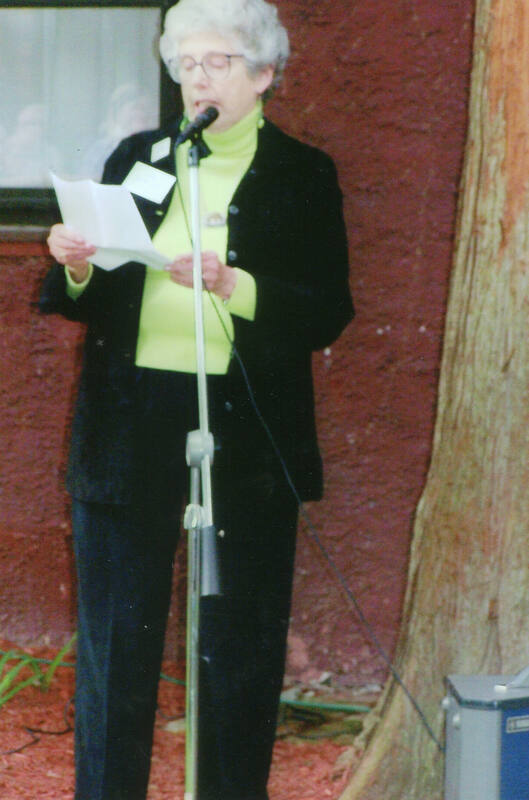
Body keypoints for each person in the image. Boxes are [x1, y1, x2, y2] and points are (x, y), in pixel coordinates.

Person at [40, 1, 353, 798]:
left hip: (243, 430)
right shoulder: (141, 156)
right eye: (184, 63)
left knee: (239, 641)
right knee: (117, 641)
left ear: (263, 75)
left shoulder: (302, 173)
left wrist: (232, 283)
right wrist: (76, 260)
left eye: (215, 62)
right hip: (130, 421)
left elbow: (325, 308)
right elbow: (82, 294)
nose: (196, 78)